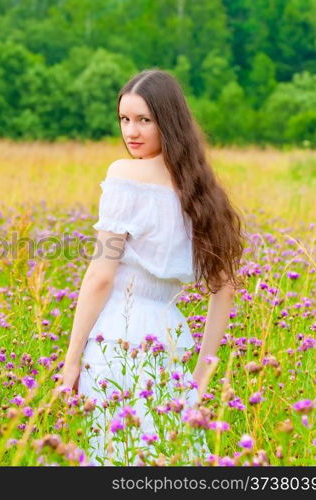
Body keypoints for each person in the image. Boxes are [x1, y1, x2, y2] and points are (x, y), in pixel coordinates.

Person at [56, 69, 247, 465]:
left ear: (168, 121)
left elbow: (100, 276)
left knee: (113, 454)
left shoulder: (125, 175)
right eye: (124, 119)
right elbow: (224, 286)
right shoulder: (201, 188)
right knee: (167, 455)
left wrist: (71, 360)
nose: (132, 132)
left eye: (144, 119)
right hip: (169, 336)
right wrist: (201, 375)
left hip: (117, 336)